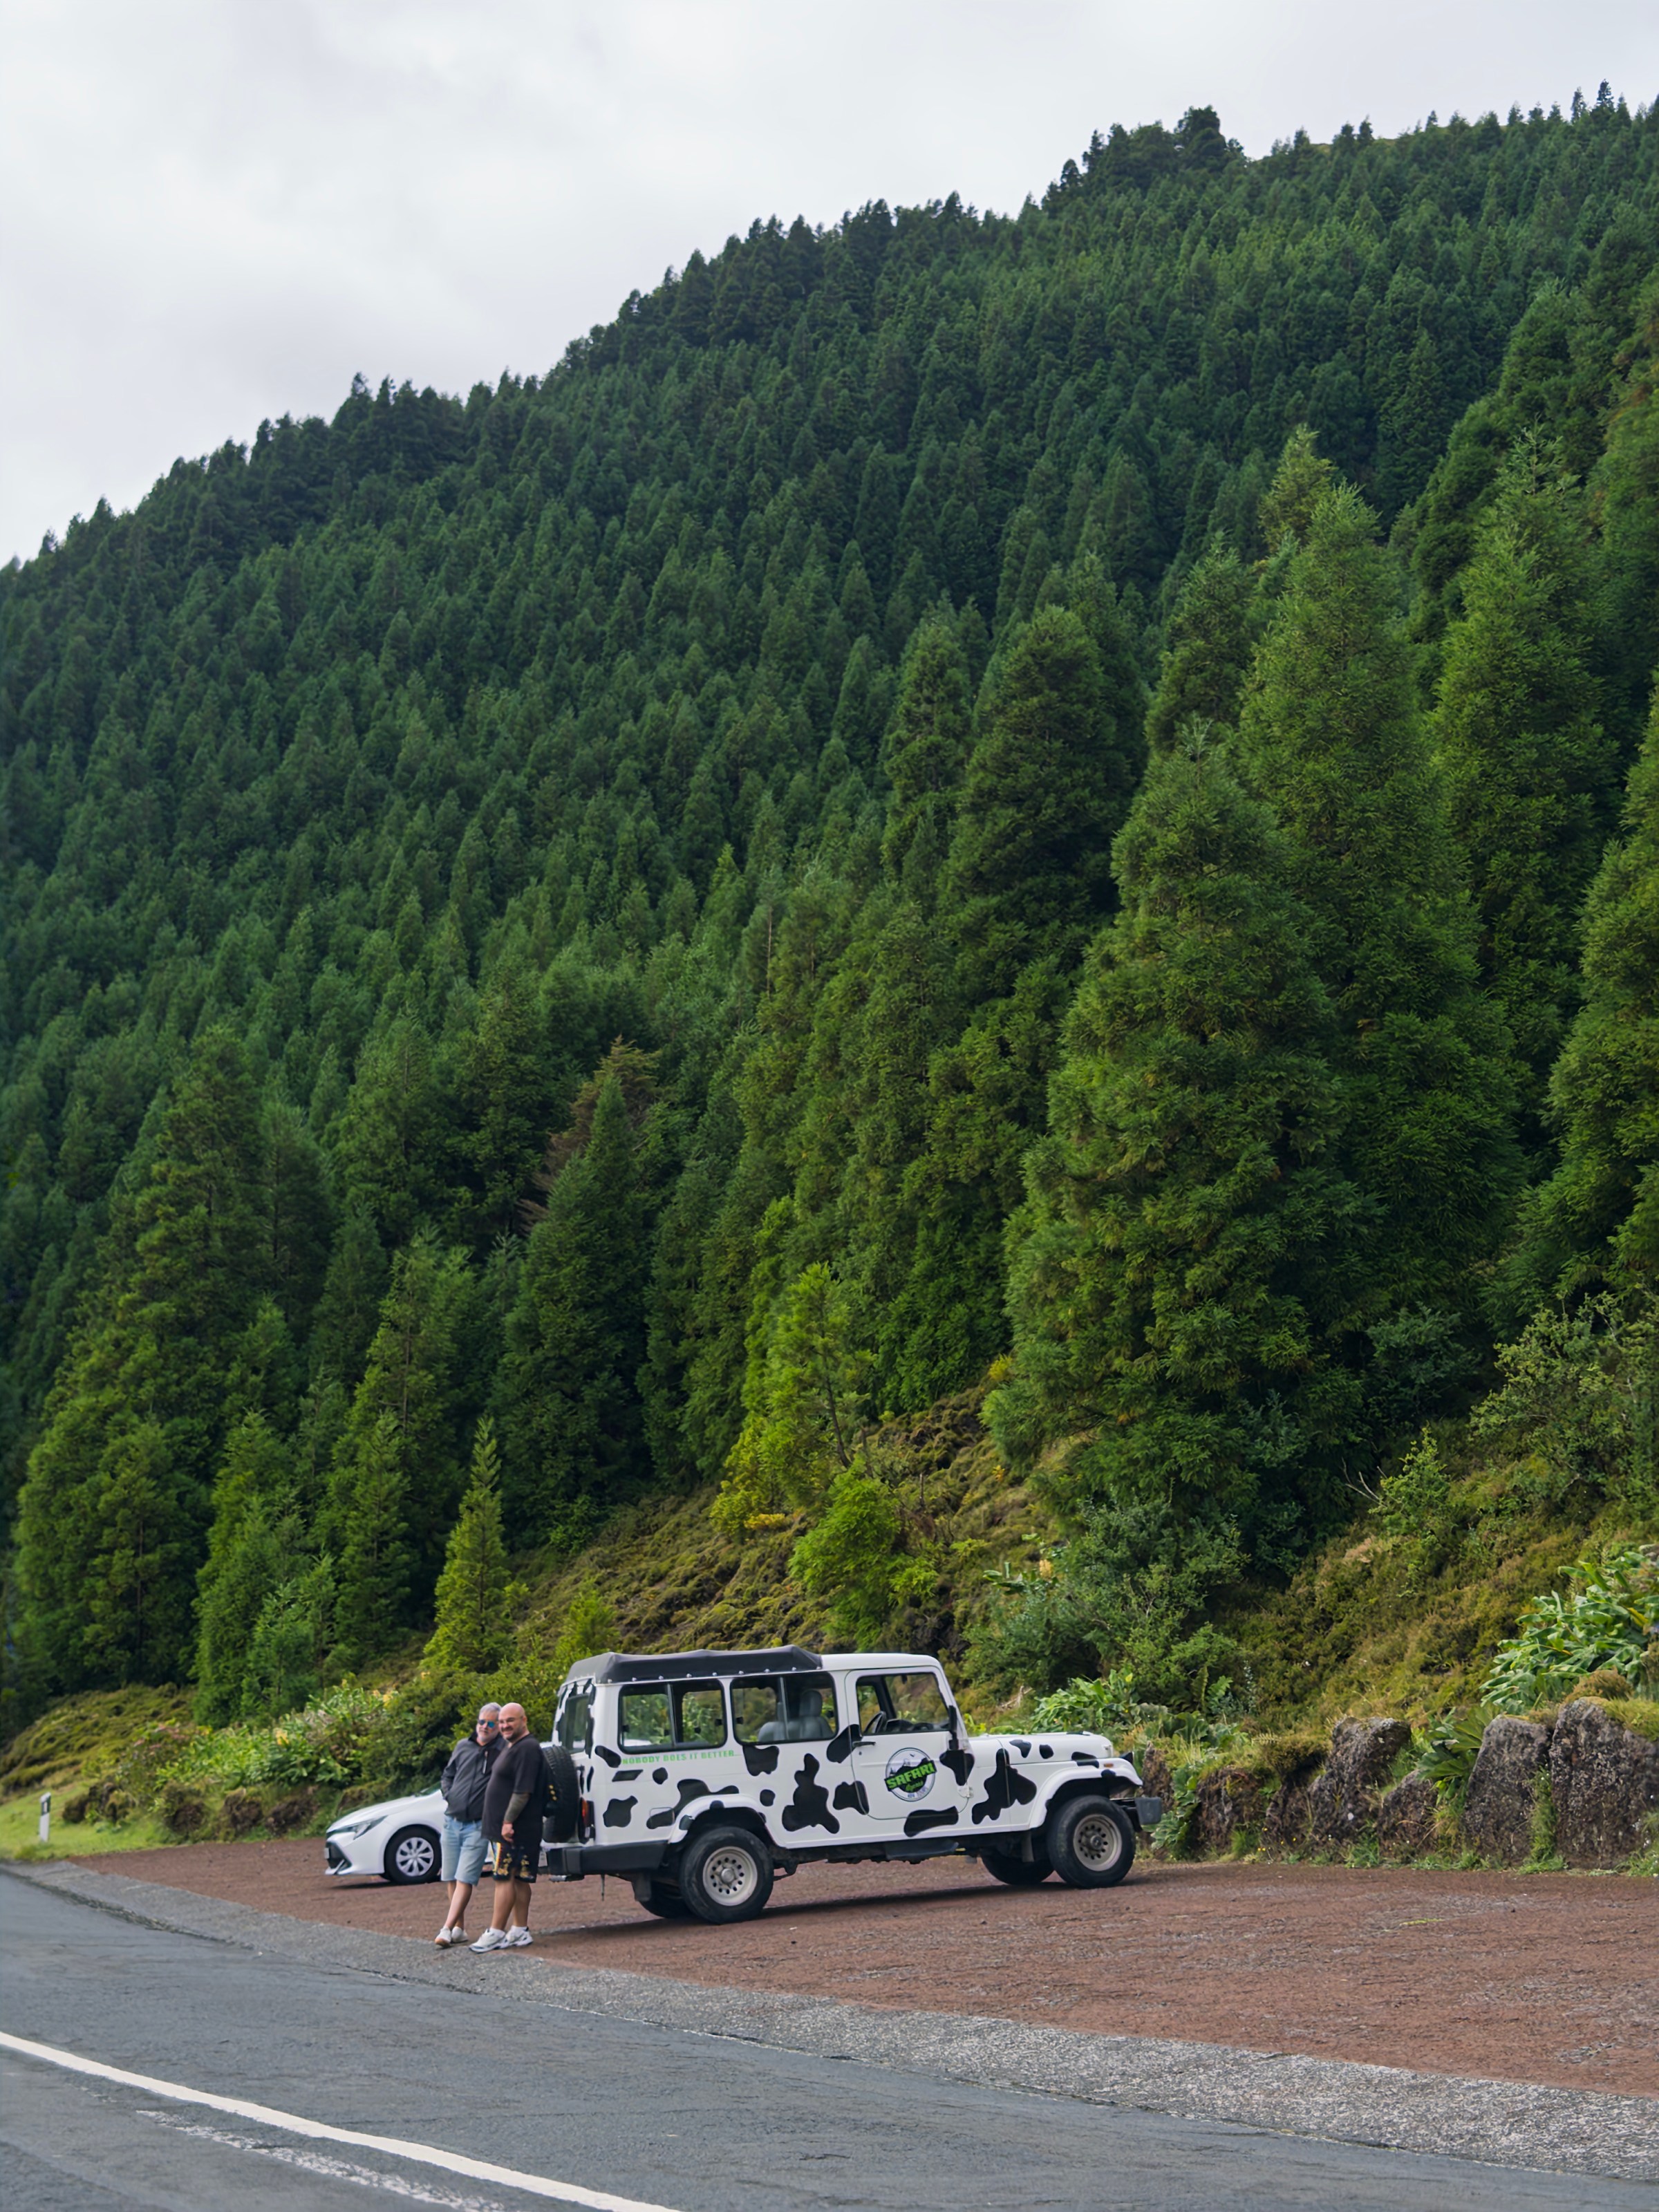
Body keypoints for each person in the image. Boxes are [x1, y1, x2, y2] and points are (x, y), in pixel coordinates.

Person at [471, 1702, 547, 1951]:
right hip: (509, 1827)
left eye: (510, 1721)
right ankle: (520, 1930)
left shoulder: (527, 1749)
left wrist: (507, 1821)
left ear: (524, 1720)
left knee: (504, 1877)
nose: (504, 1726)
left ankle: (495, 1931)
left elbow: (523, 1792)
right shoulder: (514, 1746)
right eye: (501, 1722)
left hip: (514, 1829)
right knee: (519, 1880)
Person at [433, 1703, 500, 1947]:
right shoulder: (464, 1746)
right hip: (452, 1820)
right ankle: (459, 1928)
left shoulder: (502, 1750)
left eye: (491, 1723)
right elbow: (448, 1775)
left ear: (498, 1726)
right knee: (451, 1876)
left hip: (478, 1824)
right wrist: (449, 1793)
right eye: (482, 1721)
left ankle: (446, 1928)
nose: (484, 1727)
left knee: (466, 1877)